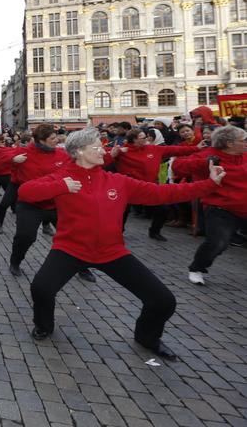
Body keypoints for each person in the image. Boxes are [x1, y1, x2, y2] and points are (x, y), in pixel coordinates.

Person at [18, 128, 224, 361]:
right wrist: (61, 187)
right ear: (79, 152)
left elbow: (162, 193)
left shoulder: (116, 180)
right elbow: (26, 192)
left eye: (102, 146)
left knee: (163, 300)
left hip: (112, 252)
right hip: (70, 249)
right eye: (96, 147)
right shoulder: (62, 177)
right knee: (41, 288)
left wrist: (210, 184)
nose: (103, 151)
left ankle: (147, 337)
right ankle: (44, 325)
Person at [8, 125, 95, 282]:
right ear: (41, 140)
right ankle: (15, 261)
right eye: (53, 138)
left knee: (74, 235)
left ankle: (82, 267)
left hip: (57, 203)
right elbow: (0, 162)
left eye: (57, 137)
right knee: (25, 236)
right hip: (31, 203)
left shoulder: (62, 154)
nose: (58, 140)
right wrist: (12, 161)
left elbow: (82, 161)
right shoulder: (24, 153)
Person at [174, 126, 247, 285]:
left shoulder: (245, 155)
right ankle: (197, 268)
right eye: (243, 141)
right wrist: (204, 163)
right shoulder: (209, 155)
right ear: (229, 143)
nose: (246, 143)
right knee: (218, 243)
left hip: (244, 206)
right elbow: (178, 165)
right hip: (221, 208)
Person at [110, 128, 204, 241]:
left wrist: (196, 148)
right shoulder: (122, 151)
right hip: (129, 188)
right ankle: (118, 232)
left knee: (163, 209)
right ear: (134, 140)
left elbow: (175, 149)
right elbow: (102, 157)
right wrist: (112, 154)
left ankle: (154, 231)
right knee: (122, 211)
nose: (147, 139)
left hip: (149, 187)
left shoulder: (153, 149)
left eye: (147, 137)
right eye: (143, 138)